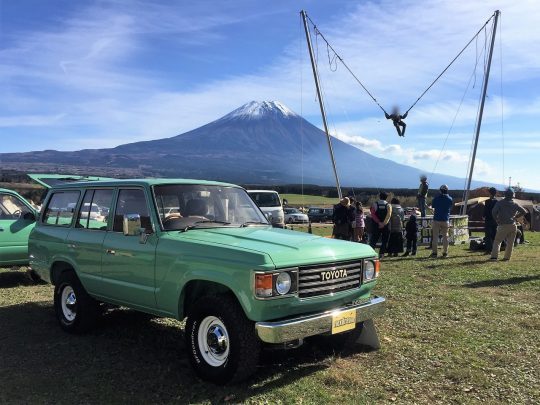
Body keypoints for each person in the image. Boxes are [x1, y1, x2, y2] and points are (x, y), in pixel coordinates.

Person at [490, 188, 528, 261]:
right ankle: (507, 258)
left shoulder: (500, 203)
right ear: (513, 195)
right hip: (513, 226)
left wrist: (496, 219)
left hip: (503, 225)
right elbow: (524, 211)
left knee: (497, 241)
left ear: (505, 194)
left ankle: (494, 257)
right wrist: (516, 216)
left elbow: (493, 212)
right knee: (510, 243)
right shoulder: (515, 203)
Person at [430, 184, 453, 258]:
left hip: (436, 219)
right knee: (445, 237)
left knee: (435, 237)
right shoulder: (450, 199)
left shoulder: (436, 198)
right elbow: (450, 206)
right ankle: (445, 253)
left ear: (440, 190)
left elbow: (433, 206)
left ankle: (434, 253)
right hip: (445, 220)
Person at [370, 192, 392, 258]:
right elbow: (389, 215)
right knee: (385, 240)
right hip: (386, 226)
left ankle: (371, 253)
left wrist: (379, 222)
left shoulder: (374, 204)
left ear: (379, 197)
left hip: (376, 225)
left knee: (373, 240)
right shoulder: (388, 205)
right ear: (386, 197)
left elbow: (373, 214)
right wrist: (384, 223)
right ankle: (381, 254)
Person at [483, 187, 498, 253]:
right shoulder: (497, 201)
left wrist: (483, 216)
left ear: (490, 193)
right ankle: (495, 249)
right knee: (494, 234)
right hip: (495, 220)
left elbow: (485, 210)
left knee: (488, 235)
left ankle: (489, 249)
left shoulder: (487, 201)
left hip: (488, 220)